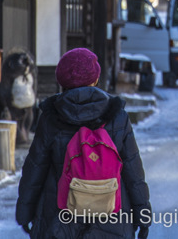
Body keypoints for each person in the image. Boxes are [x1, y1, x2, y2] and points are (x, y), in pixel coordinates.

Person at [17, 48, 151, 239]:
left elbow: (35, 168)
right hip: (112, 219)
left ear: (62, 81)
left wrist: (25, 214)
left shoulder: (51, 117)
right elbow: (133, 170)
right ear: (95, 80)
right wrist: (143, 217)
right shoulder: (117, 116)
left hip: (60, 219)